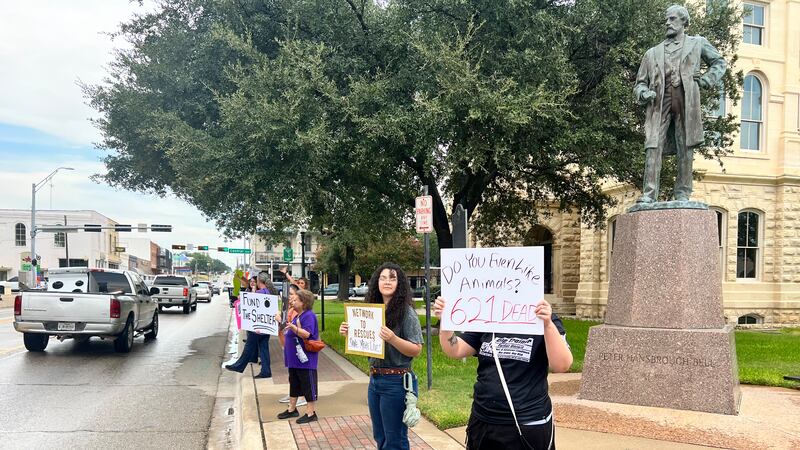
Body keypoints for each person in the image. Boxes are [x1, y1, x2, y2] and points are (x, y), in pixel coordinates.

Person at [433, 296, 572, 450]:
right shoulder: (487, 316)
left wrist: (547, 325)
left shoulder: (543, 318)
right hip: (483, 420)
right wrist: (445, 323)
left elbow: (562, 365)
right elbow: (455, 349)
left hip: (527, 424)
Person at [634, 4, 727, 203]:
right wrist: (644, 93)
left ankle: (683, 192)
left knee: (685, 146)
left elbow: (720, 63)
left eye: (672, 18)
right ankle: (649, 194)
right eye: (666, 19)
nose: (667, 23)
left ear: (684, 21)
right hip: (659, 103)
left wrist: (705, 80)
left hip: (686, 101)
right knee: (653, 145)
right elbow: (639, 83)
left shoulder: (697, 43)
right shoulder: (652, 53)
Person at [339, 262, 423, 450]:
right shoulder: (371, 310)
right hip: (375, 379)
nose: (387, 282)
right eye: (383, 278)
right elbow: (365, 339)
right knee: (380, 436)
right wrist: (349, 332)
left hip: (396, 381)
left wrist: (392, 338)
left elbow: (416, 349)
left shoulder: (406, 312)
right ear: (376, 281)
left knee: (395, 440)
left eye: (392, 278)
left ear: (399, 283)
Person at [276, 288, 320, 424]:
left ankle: (311, 412)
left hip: (305, 359)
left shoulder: (309, 316)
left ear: (304, 302)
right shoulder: (298, 315)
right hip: (295, 359)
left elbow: (307, 334)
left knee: (308, 384)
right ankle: (292, 408)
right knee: (294, 383)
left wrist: (293, 328)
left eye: (296, 300)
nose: (292, 302)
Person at [225, 272, 277, 379]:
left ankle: (239, 366)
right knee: (263, 348)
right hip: (266, 326)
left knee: (249, 347)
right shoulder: (269, 292)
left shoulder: (259, 293)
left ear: (259, 281)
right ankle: (266, 371)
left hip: (257, 326)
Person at [277, 284, 307, 407]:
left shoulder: (297, 311)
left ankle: (303, 396)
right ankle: (293, 395)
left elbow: (293, 328)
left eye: (291, 295)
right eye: (287, 295)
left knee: (298, 373)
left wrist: (280, 320)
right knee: (292, 374)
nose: (288, 298)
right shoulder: (288, 309)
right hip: (287, 345)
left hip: (296, 347)